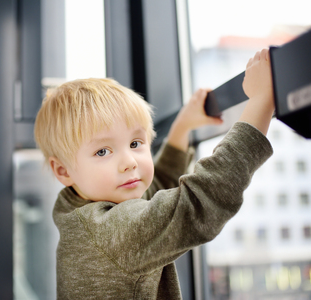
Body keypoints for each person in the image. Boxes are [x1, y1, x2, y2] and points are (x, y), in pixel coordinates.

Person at [34, 48, 274, 299]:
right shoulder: (110, 232)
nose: (128, 162)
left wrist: (182, 127)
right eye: (103, 151)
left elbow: (152, 195)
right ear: (62, 170)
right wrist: (261, 101)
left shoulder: (81, 210)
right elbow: (200, 203)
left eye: (136, 143)